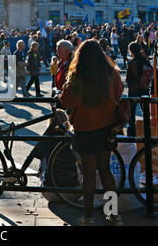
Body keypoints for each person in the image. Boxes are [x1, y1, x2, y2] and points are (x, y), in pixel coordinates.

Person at [59, 39, 124, 226]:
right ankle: (113, 215)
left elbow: (66, 102)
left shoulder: (77, 75)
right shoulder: (111, 73)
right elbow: (119, 93)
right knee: (105, 170)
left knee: (88, 174)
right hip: (107, 128)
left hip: (84, 129)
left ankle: (88, 217)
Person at [126, 42, 152, 137]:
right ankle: (147, 130)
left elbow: (128, 79)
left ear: (131, 51)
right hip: (144, 88)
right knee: (145, 111)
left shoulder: (132, 63)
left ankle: (132, 132)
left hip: (134, 90)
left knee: (131, 113)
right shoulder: (145, 60)